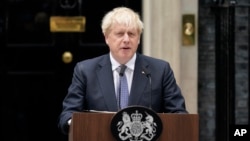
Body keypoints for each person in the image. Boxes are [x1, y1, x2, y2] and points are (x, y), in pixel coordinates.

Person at [58, 6, 188, 135]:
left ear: (138, 39)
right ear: (106, 37)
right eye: (120, 34)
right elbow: (68, 114)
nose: (126, 40)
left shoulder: (160, 70)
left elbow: (179, 114)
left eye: (131, 34)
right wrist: (77, 124)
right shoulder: (85, 71)